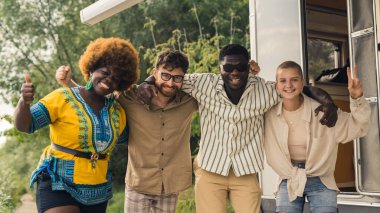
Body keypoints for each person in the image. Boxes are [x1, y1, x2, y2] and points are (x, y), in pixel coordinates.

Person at [139, 44, 338, 213]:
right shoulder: (203, 83)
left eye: (241, 67)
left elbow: (301, 88)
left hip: (245, 173)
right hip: (210, 170)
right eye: (228, 67)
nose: (234, 72)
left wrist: (328, 102)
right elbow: (169, 75)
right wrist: (147, 82)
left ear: (249, 68)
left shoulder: (264, 90)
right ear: (220, 68)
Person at [56, 50, 199, 213]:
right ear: (154, 73)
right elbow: (94, 99)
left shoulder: (189, 100)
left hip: (170, 185)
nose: (171, 83)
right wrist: (69, 83)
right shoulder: (132, 95)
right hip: (138, 183)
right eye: (165, 75)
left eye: (177, 78)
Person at [14, 37, 139, 213]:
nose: (110, 79)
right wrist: (24, 102)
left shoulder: (118, 112)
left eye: (116, 78)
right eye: (106, 72)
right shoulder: (61, 97)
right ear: (92, 68)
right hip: (58, 182)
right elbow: (25, 125)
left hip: (98, 190)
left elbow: (130, 138)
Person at [263, 61, 370, 213]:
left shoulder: (324, 111)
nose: (289, 85)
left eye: (294, 79)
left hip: (321, 178)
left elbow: (358, 126)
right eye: (283, 81)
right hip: (288, 177)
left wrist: (356, 97)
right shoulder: (268, 114)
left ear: (302, 83)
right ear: (276, 85)